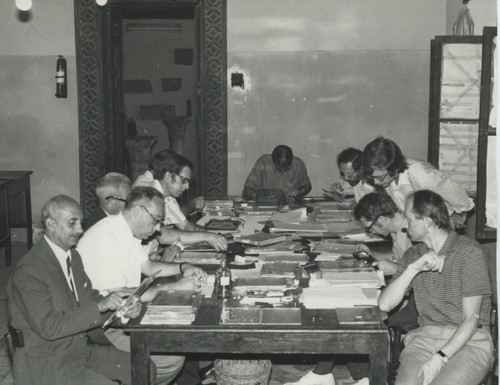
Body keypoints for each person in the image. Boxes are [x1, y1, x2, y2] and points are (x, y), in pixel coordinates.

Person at [77, 186, 208, 385]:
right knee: (171, 358)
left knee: (182, 327)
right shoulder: (106, 238)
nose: (157, 228)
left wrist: (183, 267)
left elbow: (148, 266)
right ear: (139, 211)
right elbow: (118, 296)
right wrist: (176, 287)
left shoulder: (123, 230)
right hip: (103, 326)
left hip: (126, 312)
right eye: (156, 220)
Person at [7, 195, 143, 385]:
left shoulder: (73, 257)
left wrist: (121, 310)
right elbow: (49, 327)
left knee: (144, 368)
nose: (80, 230)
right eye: (72, 224)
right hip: (49, 361)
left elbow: (90, 302)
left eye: (80, 223)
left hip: (80, 349)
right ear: (51, 224)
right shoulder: (29, 271)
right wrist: (102, 305)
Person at [378, 190, 493, 385]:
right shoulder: (413, 255)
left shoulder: (469, 253)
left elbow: (471, 321)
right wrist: (412, 269)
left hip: (469, 341)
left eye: (409, 218)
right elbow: (384, 305)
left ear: (427, 222)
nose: (404, 226)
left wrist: (440, 357)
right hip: (424, 339)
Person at [362, 136, 474, 230]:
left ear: (395, 169)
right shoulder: (387, 179)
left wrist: (459, 214)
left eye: (380, 177)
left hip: (439, 223)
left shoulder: (419, 173)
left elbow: (456, 194)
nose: (376, 182)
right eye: (373, 178)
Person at [133, 150, 227, 251]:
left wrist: (213, 235)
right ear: (168, 176)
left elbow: (185, 225)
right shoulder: (148, 194)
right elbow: (164, 236)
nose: (187, 186)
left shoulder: (169, 198)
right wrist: (207, 237)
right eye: (184, 180)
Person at [354, 192, 413, 275]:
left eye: (369, 228)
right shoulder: (395, 230)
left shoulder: (413, 234)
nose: (372, 232)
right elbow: (400, 260)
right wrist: (373, 255)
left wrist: (395, 269)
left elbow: (428, 278)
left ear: (382, 219)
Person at [242, 144, 312, 201]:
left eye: (286, 168)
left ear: (291, 159)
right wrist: (261, 196)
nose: (282, 171)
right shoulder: (263, 162)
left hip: (290, 207)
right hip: (265, 205)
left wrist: (300, 192)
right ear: (273, 159)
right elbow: (247, 190)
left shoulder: (298, 164)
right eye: (279, 168)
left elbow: (307, 186)